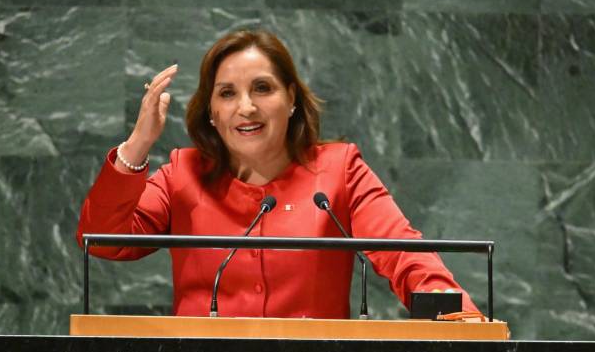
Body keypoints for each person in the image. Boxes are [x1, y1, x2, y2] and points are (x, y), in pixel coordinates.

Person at [77, 29, 479, 319]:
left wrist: (454, 313)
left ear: (290, 100)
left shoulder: (339, 170)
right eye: (227, 93)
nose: (246, 107)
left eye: (263, 88)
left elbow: (404, 253)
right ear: (212, 113)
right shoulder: (182, 174)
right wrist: (138, 144)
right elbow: (103, 241)